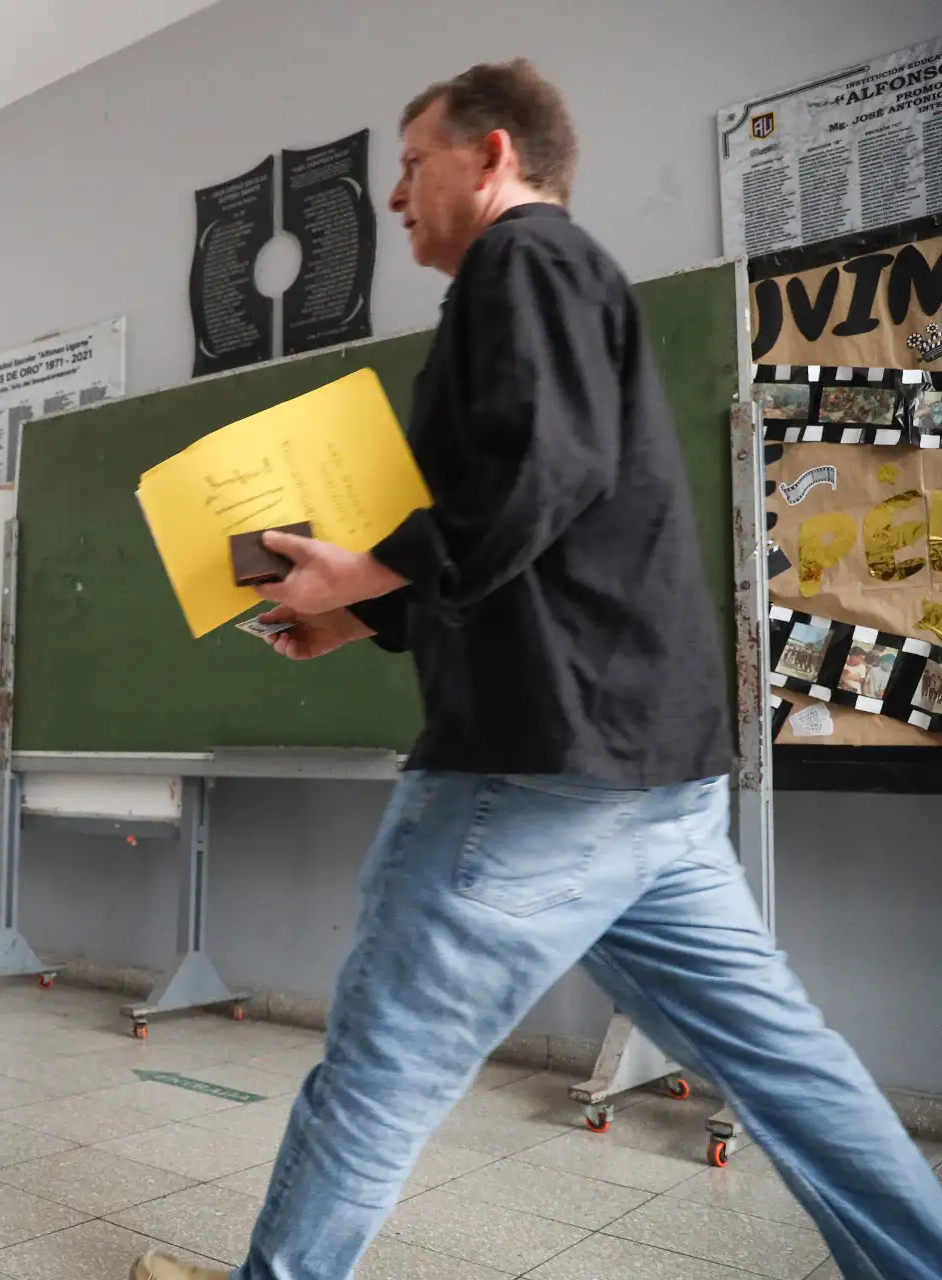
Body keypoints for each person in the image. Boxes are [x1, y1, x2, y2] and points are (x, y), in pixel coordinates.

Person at [133, 60, 942, 1280]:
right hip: (654, 783)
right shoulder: (560, 285)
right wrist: (362, 613)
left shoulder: (524, 264)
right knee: (789, 1064)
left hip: (532, 777)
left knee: (380, 1065)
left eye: (412, 163)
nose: (396, 196)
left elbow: (533, 476)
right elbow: (544, 535)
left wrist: (355, 575)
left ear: (494, 154)